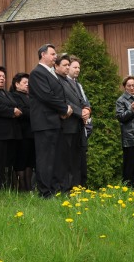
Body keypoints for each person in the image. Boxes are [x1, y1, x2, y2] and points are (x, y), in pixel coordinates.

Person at [29, 44, 72, 198]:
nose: (55, 56)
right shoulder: (37, 73)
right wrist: (64, 109)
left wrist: (63, 109)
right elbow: (46, 96)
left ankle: (55, 188)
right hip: (44, 123)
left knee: (56, 158)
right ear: (42, 55)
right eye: (53, 54)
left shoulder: (51, 73)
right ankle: (45, 192)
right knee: (45, 158)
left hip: (54, 122)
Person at [54, 54, 89, 192]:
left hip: (77, 126)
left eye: (70, 65)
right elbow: (64, 102)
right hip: (67, 125)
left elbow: (81, 99)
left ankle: (76, 186)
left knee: (76, 159)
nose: (68, 67)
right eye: (66, 65)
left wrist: (85, 110)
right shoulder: (58, 81)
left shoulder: (72, 83)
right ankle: (66, 188)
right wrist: (80, 112)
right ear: (57, 66)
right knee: (66, 160)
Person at [69, 57, 92, 187]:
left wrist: (87, 111)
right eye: (74, 67)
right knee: (72, 161)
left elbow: (85, 102)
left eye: (79, 67)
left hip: (82, 126)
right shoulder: (64, 83)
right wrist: (80, 113)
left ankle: (81, 186)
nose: (78, 70)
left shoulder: (78, 85)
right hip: (71, 125)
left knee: (82, 159)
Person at [10, 72, 33, 191]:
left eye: (29, 83)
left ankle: (29, 187)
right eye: (25, 83)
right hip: (21, 133)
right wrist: (34, 112)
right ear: (17, 84)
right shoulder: (14, 95)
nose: (27, 85)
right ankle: (21, 188)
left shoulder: (30, 96)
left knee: (30, 161)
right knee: (21, 161)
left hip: (32, 133)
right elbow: (22, 111)